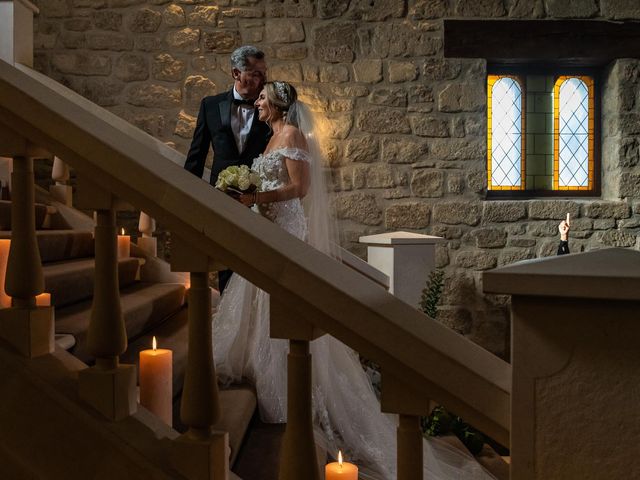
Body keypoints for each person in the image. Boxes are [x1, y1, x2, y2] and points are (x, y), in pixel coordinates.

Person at [212, 81, 496, 480]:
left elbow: (300, 187)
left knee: (283, 301)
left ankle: (287, 388)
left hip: (287, 229)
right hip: (268, 228)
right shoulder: (272, 135)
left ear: (276, 103)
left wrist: (254, 199)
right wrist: (249, 192)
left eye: (261, 98)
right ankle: (261, 371)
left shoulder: (292, 134)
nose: (256, 102)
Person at [184, 45, 270, 293]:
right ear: (236, 73)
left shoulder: (270, 105)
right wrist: (189, 197)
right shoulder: (210, 105)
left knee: (258, 260)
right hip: (220, 196)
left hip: (260, 196)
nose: (262, 79)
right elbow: (196, 155)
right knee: (226, 260)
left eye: (264, 73)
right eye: (255, 73)